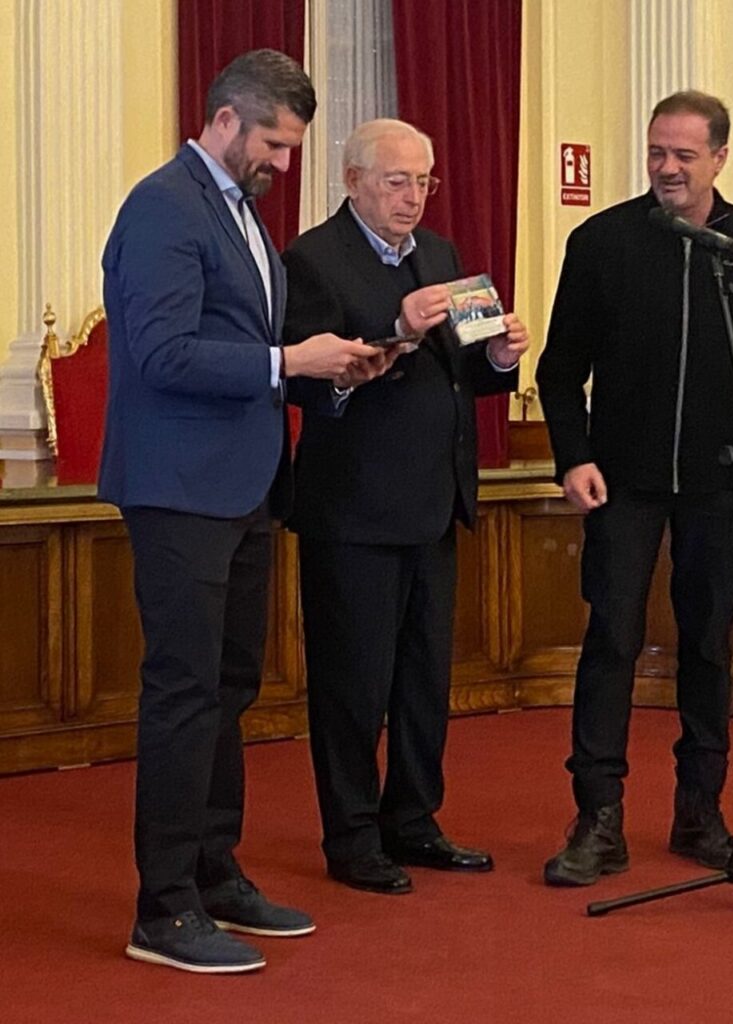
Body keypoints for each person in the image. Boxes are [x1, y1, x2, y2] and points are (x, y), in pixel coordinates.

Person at [99, 49, 391, 972]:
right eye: (273, 142)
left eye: (293, 145)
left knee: (229, 691)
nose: (283, 162)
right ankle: (163, 907)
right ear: (224, 120)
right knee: (184, 693)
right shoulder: (162, 207)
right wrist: (288, 361)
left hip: (243, 486)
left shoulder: (241, 215)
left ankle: (215, 872)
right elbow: (161, 354)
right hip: (179, 488)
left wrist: (329, 367)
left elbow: (249, 345)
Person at [536, 91, 733, 887]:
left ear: (721, 160)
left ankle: (701, 810)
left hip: (721, 481)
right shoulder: (602, 242)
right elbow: (559, 370)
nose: (667, 168)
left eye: (685, 156)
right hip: (622, 483)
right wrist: (573, 456)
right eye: (657, 152)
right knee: (613, 641)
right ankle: (597, 817)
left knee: (708, 647)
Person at [282, 118, 530, 895]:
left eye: (424, 181)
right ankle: (352, 837)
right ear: (353, 180)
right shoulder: (312, 260)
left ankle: (414, 821)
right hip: (353, 509)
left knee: (424, 681)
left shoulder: (444, 256)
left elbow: (465, 374)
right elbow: (307, 382)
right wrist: (393, 329)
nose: (413, 197)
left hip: (434, 501)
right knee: (353, 685)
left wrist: (498, 357)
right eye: (397, 181)